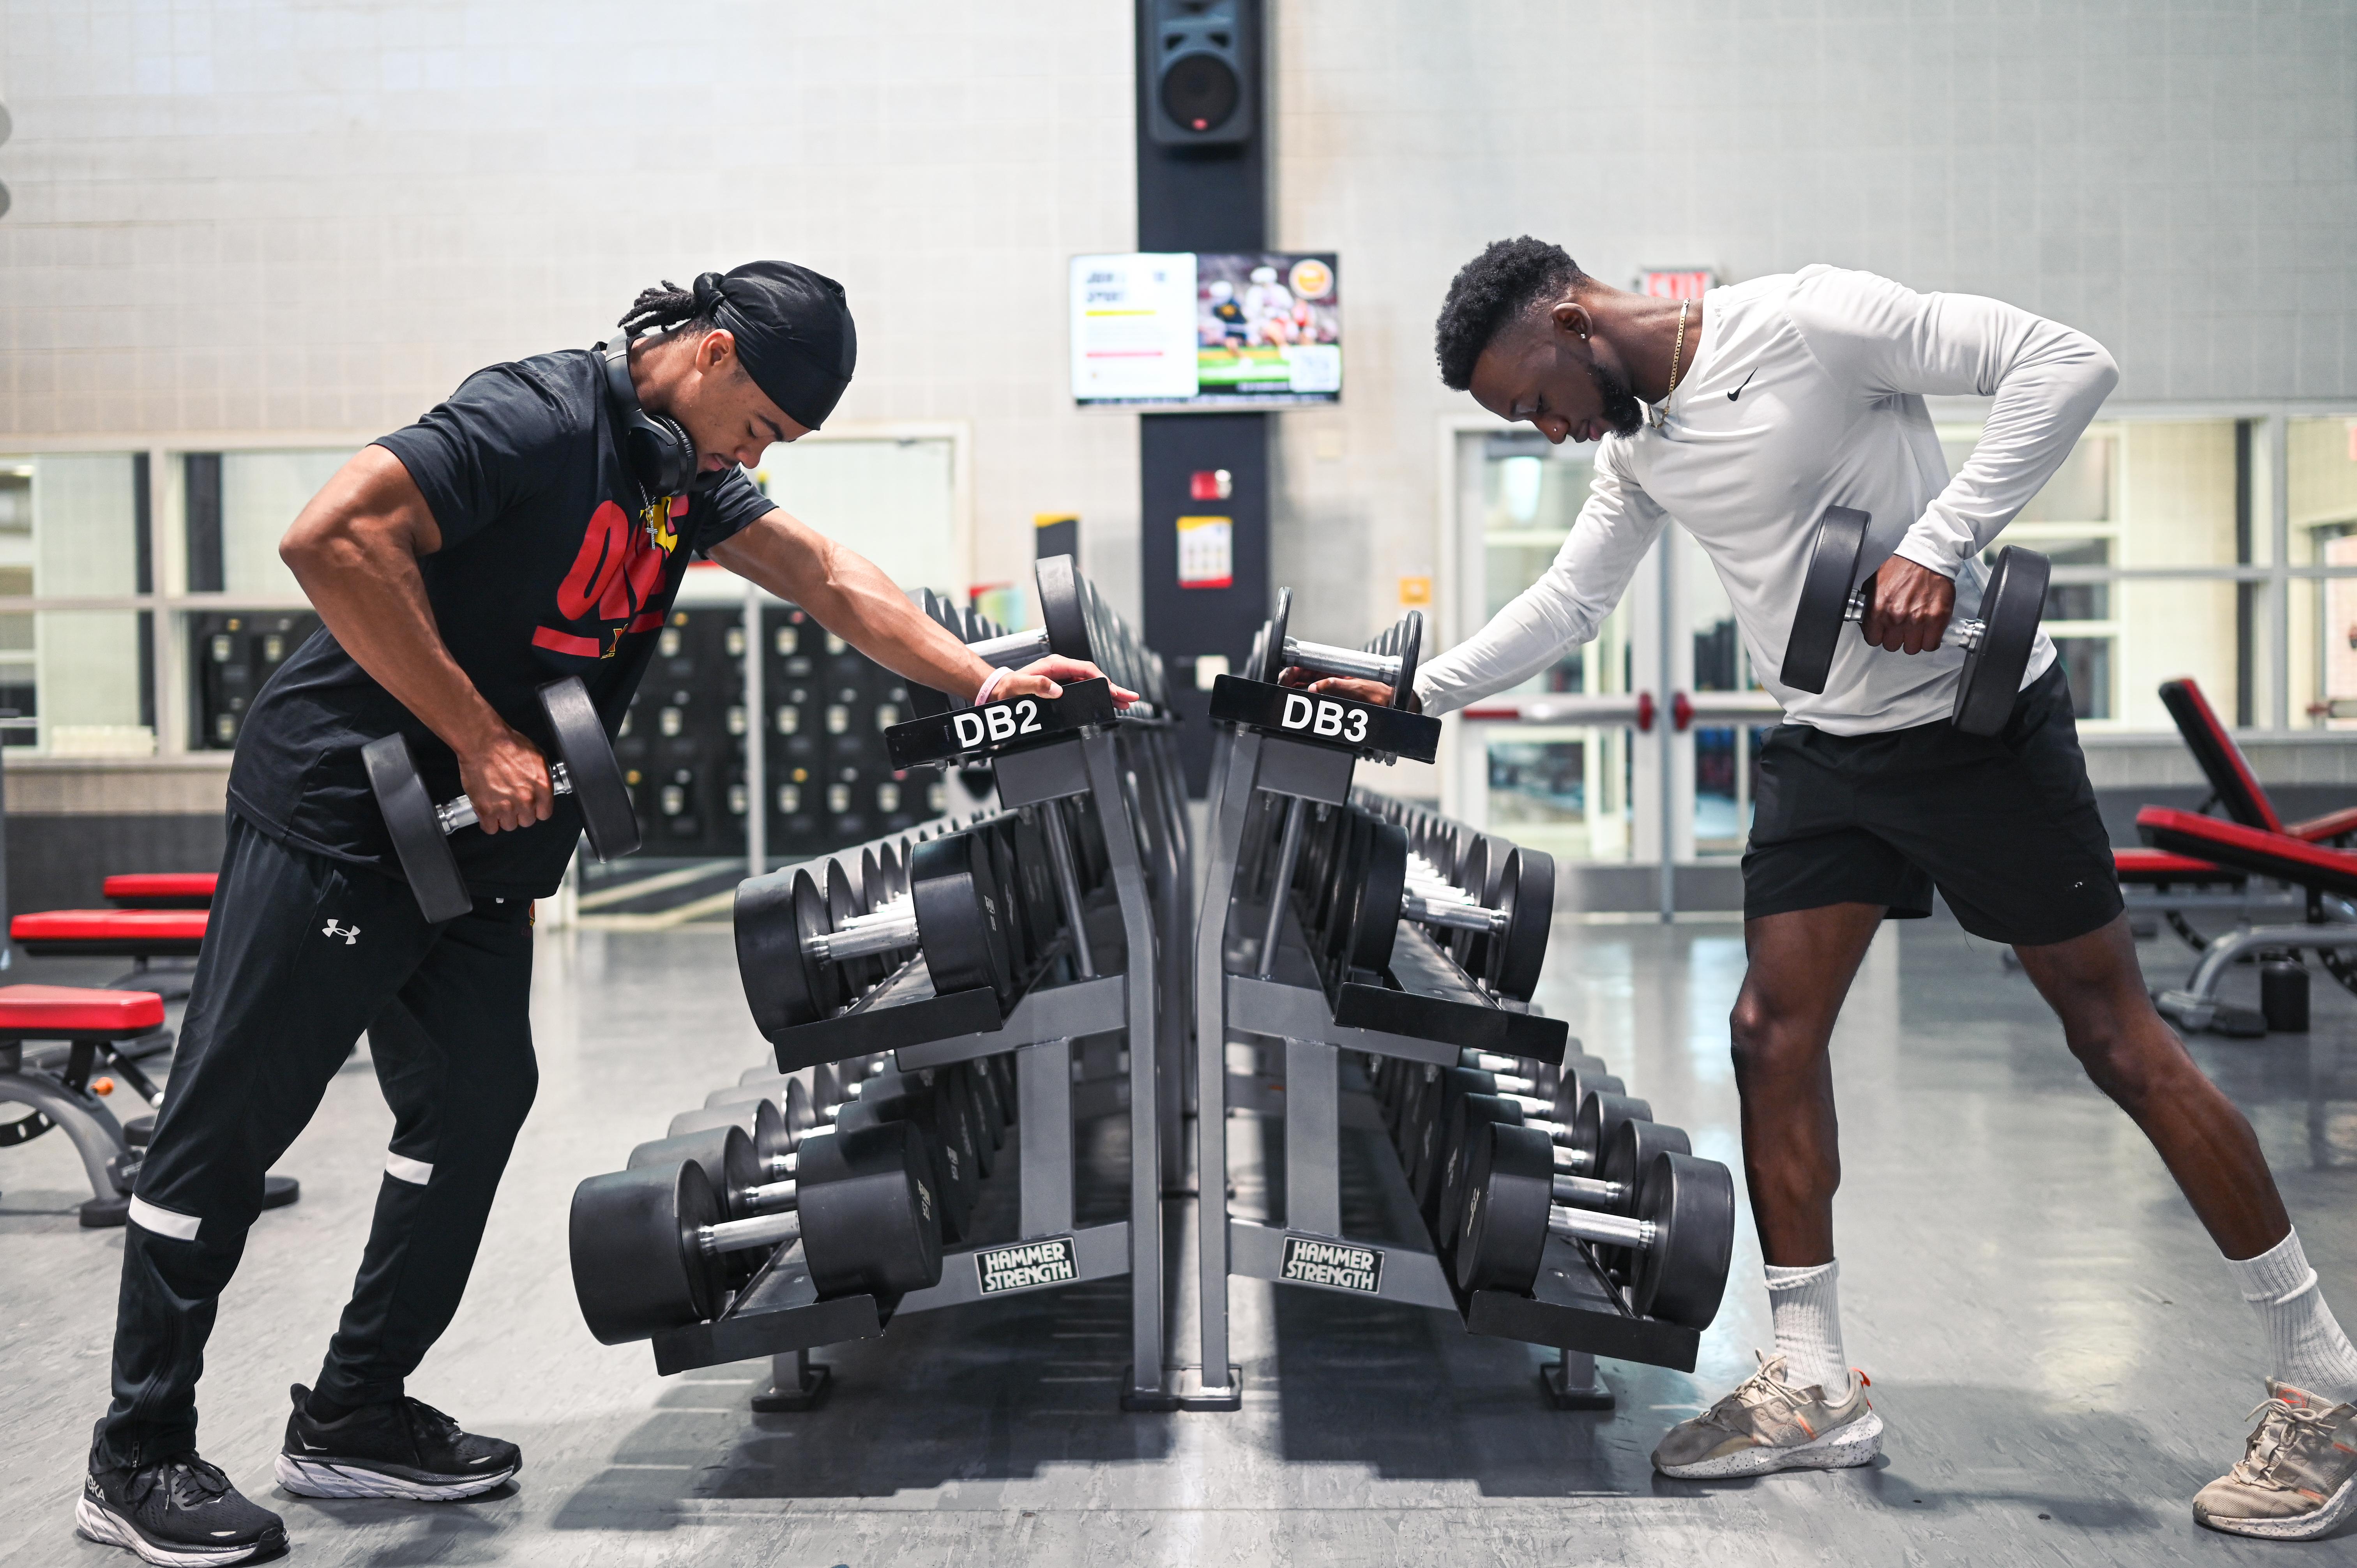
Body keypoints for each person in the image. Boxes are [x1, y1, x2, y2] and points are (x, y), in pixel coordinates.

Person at [76, 261, 1129, 1568]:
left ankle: (353, 1410)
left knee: (474, 1104)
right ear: (710, 353)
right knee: (227, 1123)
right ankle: (137, 1454)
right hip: (345, 814)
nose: (761, 452)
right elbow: (331, 536)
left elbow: (820, 573)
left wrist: (991, 676)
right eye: (764, 423)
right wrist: (473, 732)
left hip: (473, 842)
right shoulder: (534, 416)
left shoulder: (676, 474)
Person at [1311, 237, 2357, 1542]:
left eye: (1533, 401)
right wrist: (1413, 692)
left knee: (2118, 1041)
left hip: (1977, 739)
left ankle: (2323, 1377)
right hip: (1827, 750)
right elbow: (1574, 601)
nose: (1549, 432)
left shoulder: (1812, 324)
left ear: (1573, 322)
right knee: (1768, 1034)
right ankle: (1811, 1376)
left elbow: (2065, 363)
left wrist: (1941, 540)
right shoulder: (1642, 447)